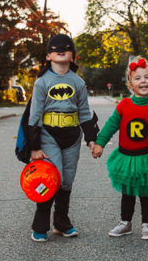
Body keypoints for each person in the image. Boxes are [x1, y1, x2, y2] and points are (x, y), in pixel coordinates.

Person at [91, 56, 148, 240]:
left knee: (146, 192)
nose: (143, 81)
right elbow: (111, 125)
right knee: (127, 192)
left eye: (147, 77)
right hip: (126, 157)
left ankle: (147, 224)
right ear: (130, 84)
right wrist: (100, 143)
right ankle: (125, 223)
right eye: (138, 78)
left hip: (147, 157)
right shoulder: (123, 105)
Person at [27, 34, 98, 242]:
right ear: (48, 56)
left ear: (72, 56)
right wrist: (34, 146)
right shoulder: (42, 82)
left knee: (66, 181)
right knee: (51, 179)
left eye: (66, 48)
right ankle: (40, 225)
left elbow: (85, 113)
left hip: (72, 137)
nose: (60, 49)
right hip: (49, 136)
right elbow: (34, 116)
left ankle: (61, 222)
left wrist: (91, 139)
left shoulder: (78, 82)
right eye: (55, 48)